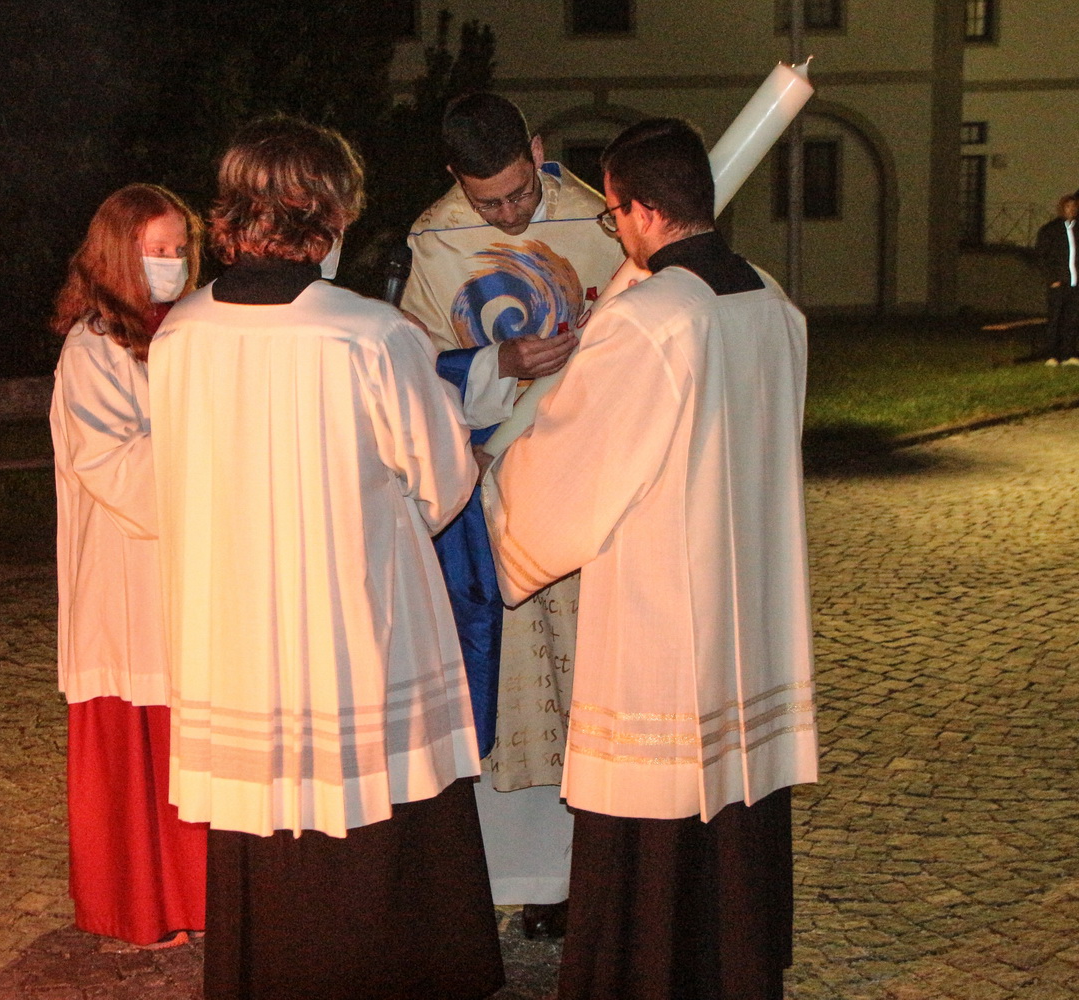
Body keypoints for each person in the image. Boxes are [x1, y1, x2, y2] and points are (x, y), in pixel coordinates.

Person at [148, 116, 503, 1000]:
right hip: (354, 621)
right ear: (329, 215)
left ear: (234, 215)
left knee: (266, 815)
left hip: (234, 626)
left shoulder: (181, 333)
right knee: (377, 799)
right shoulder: (367, 333)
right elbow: (442, 478)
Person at [482, 117, 818, 1000]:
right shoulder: (774, 303)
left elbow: (578, 463)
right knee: (732, 799)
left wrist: (500, 483)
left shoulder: (652, 319)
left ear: (636, 210)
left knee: (658, 802)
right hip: (753, 606)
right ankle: (731, 968)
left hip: (666, 614)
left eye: (614, 214)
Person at [400, 91, 625, 936]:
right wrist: (498, 358)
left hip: (590, 484)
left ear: (537, 150)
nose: (509, 214)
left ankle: (586, 877)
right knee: (514, 694)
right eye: (487, 202)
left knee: (590, 689)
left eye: (520, 193)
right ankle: (517, 878)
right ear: (456, 181)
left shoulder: (603, 221)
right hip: (495, 488)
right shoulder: (434, 240)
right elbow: (414, 371)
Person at [48, 183, 207, 947]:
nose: (173, 265)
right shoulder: (92, 348)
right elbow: (110, 462)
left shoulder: (192, 331)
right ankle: (142, 904)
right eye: (157, 251)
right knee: (141, 736)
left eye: (181, 250)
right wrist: (206, 451)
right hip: (127, 568)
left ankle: (204, 897)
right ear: (118, 254)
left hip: (188, 570)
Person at [1035, 194, 1079, 366]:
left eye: (1074, 207)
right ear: (1062, 208)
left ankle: (1070, 353)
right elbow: (1041, 257)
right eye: (1068, 206)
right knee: (1055, 320)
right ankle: (1052, 354)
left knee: (1072, 320)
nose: (1072, 209)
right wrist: (1052, 278)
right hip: (1058, 283)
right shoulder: (1050, 230)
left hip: (1076, 283)